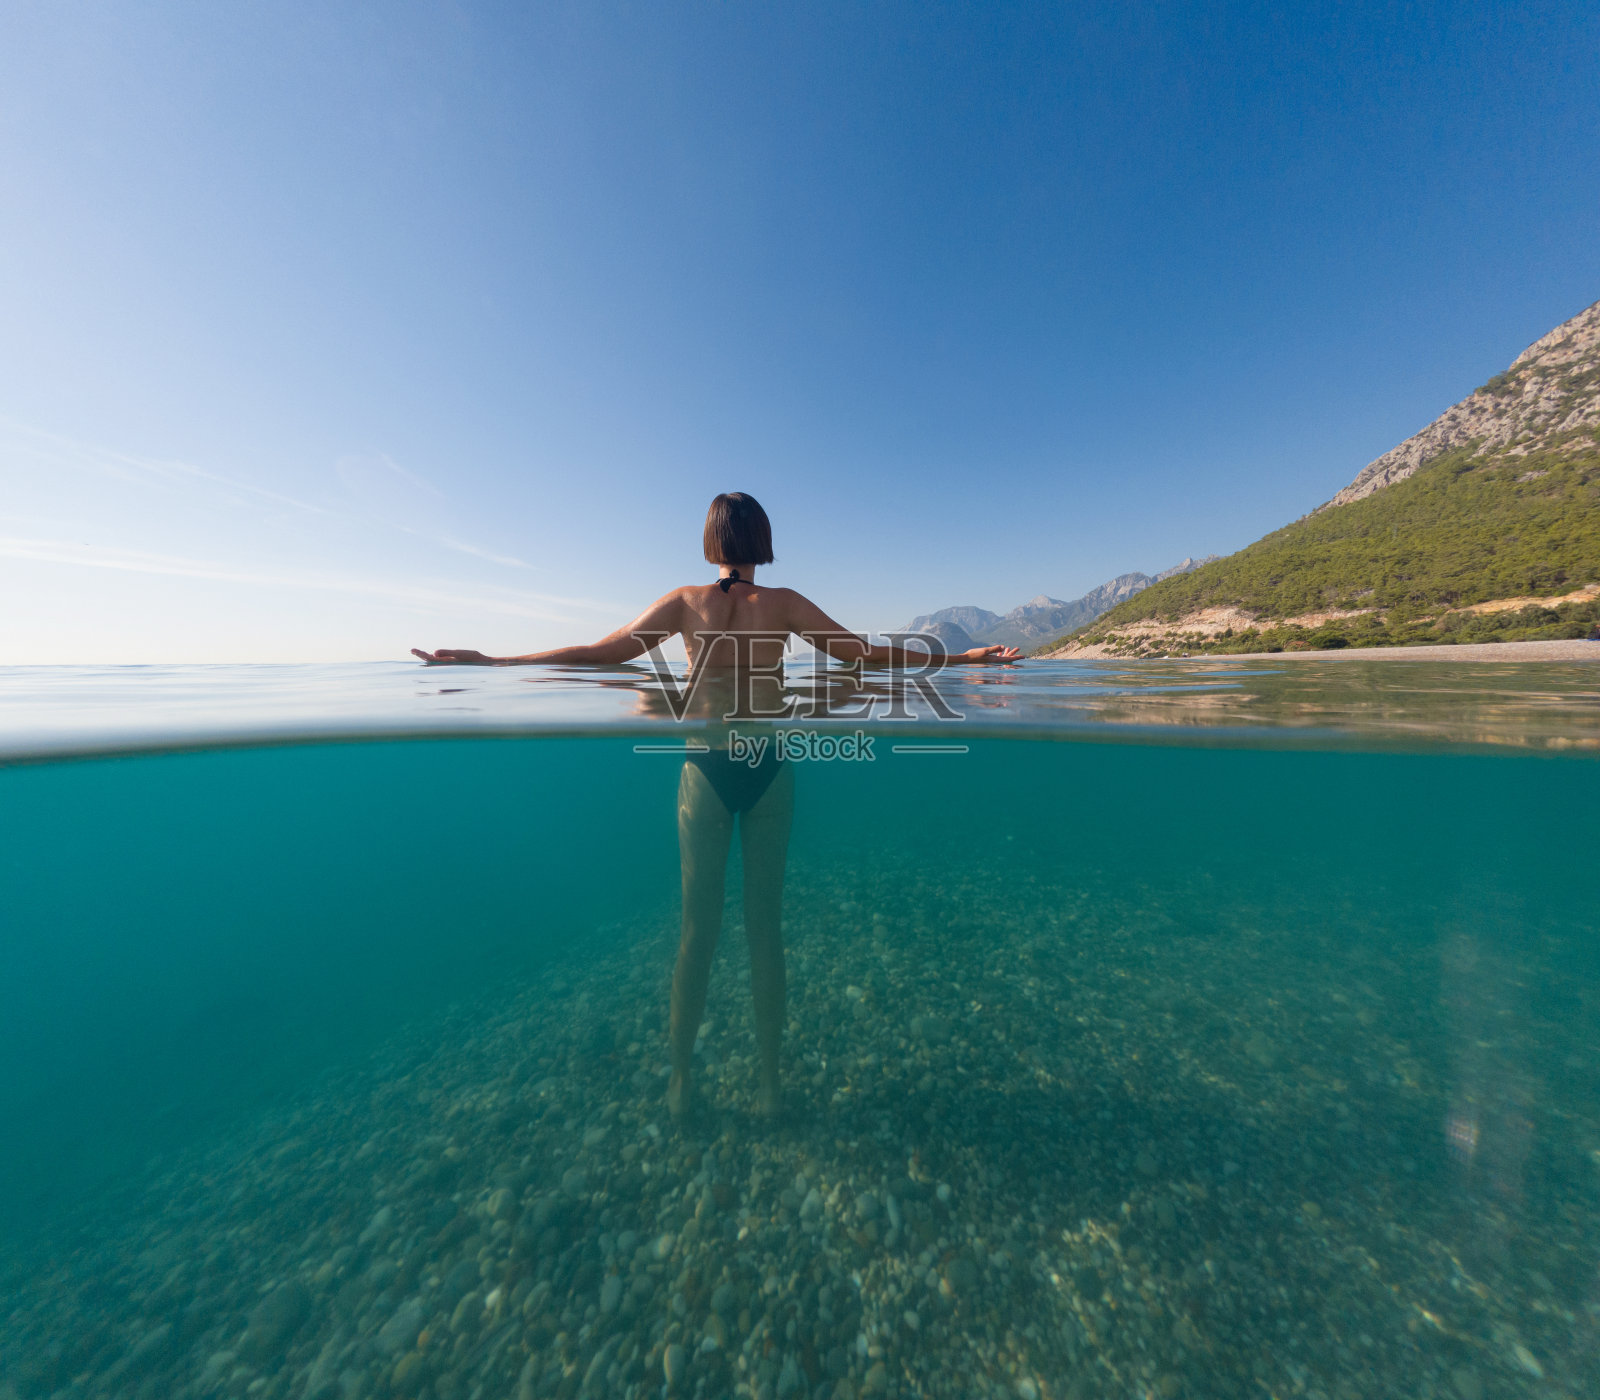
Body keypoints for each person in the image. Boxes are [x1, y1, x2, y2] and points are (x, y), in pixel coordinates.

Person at [413, 492, 1020, 1119]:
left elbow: (598, 654)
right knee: (766, 935)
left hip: (703, 770)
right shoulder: (784, 605)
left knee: (695, 935)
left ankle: (679, 1083)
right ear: (762, 541)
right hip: (768, 769)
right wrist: (962, 658)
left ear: (710, 542)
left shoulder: (683, 602)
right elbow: (865, 658)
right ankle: (769, 1086)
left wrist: (492, 659)